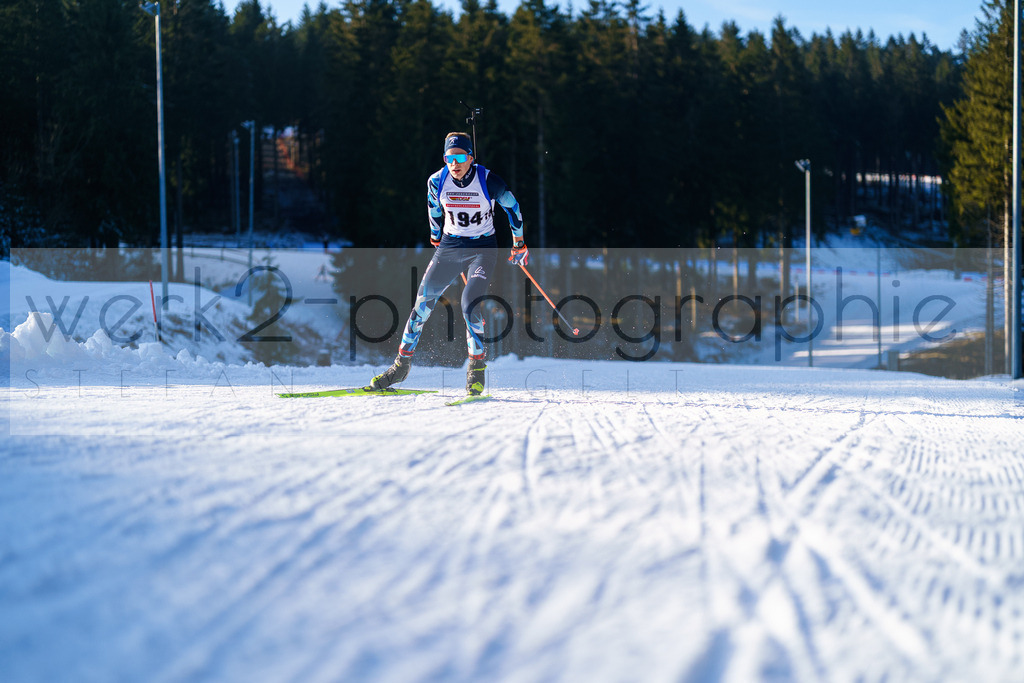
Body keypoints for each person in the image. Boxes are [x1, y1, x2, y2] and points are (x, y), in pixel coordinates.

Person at [370, 131, 529, 395]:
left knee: (469, 304)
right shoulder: (436, 181)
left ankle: (476, 370)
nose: (454, 164)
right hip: (450, 247)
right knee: (422, 303)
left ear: (470, 157)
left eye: (459, 157)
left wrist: (519, 242)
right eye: (448, 158)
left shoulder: (488, 180)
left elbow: (512, 207)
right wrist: (434, 236)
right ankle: (400, 366)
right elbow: (433, 207)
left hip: (482, 249)